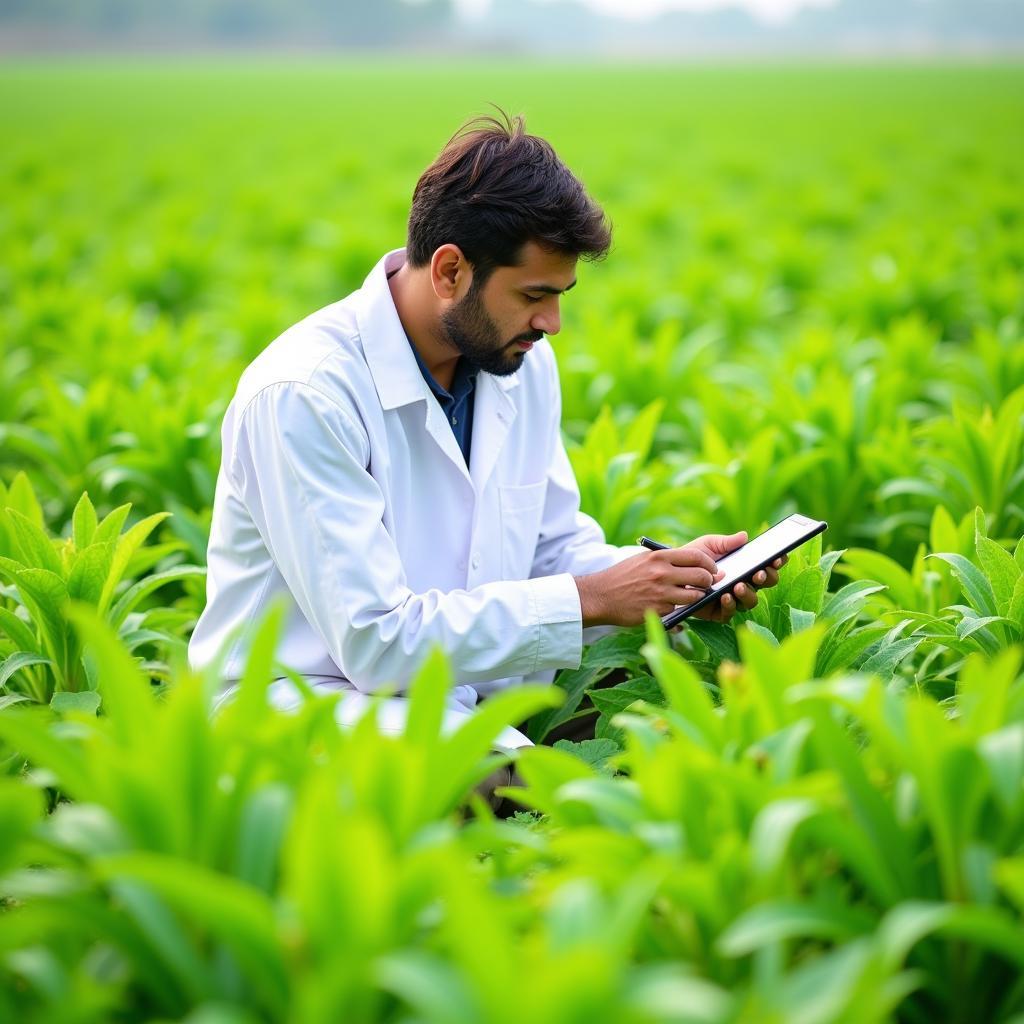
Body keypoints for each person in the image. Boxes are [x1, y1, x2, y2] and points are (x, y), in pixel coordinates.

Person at [188, 109, 784, 763]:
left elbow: (552, 547)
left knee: (672, 713)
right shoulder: (305, 393)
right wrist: (593, 598)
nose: (552, 322)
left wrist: (668, 582)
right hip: (313, 698)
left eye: (562, 295)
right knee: (514, 785)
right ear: (450, 272)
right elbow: (373, 642)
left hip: (465, 696)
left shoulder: (518, 362)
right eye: (534, 294)